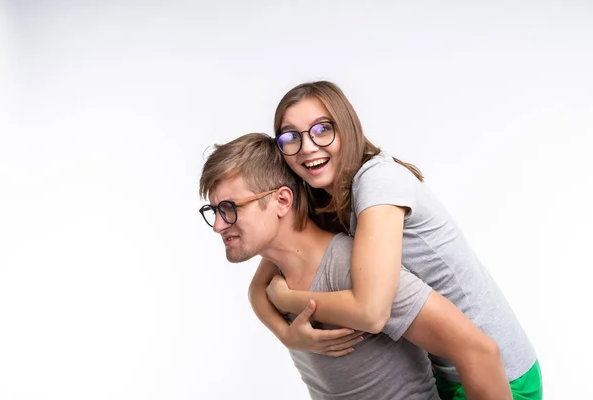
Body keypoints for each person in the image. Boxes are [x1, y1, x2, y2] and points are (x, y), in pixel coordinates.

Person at [248, 81, 542, 399]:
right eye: (291, 137)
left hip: (499, 373)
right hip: (443, 369)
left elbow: (372, 312)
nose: (307, 147)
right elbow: (257, 289)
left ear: (347, 127)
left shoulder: (377, 181)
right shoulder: (322, 198)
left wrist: (288, 300)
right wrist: (290, 336)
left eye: (322, 129)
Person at [199, 133, 511, 399]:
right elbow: (257, 293)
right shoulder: (274, 280)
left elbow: (481, 353)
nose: (217, 225)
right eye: (213, 209)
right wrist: (286, 333)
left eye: (229, 208)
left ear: (282, 201)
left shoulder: (350, 268)